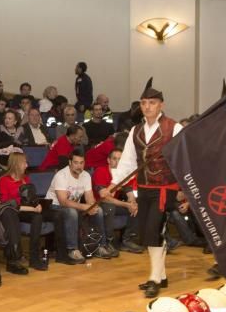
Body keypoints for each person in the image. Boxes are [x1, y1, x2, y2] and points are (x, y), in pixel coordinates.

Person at [108, 79, 181, 296]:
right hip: (144, 187)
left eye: (151, 102)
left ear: (161, 105)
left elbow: (183, 159)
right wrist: (113, 184)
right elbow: (128, 162)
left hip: (165, 188)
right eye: (143, 103)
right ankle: (162, 275)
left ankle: (154, 279)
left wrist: (184, 188)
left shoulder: (174, 128)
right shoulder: (135, 131)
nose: (147, 107)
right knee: (148, 231)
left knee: (154, 229)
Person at [46, 149, 113, 265]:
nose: (79, 166)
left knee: (99, 210)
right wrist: (84, 207)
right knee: (71, 212)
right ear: (70, 162)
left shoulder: (86, 175)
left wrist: (92, 206)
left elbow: (89, 198)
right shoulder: (61, 175)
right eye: (76, 162)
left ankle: (100, 246)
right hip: (54, 206)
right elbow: (63, 202)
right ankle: (73, 250)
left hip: (74, 206)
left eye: (81, 163)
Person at [0, 152, 50, 270]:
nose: (26, 165)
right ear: (16, 164)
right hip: (11, 211)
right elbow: (8, 204)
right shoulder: (4, 180)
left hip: (25, 209)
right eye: (24, 163)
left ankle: (34, 258)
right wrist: (33, 208)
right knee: (21, 215)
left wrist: (37, 205)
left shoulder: (25, 178)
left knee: (38, 217)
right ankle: (16, 256)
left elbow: (31, 198)